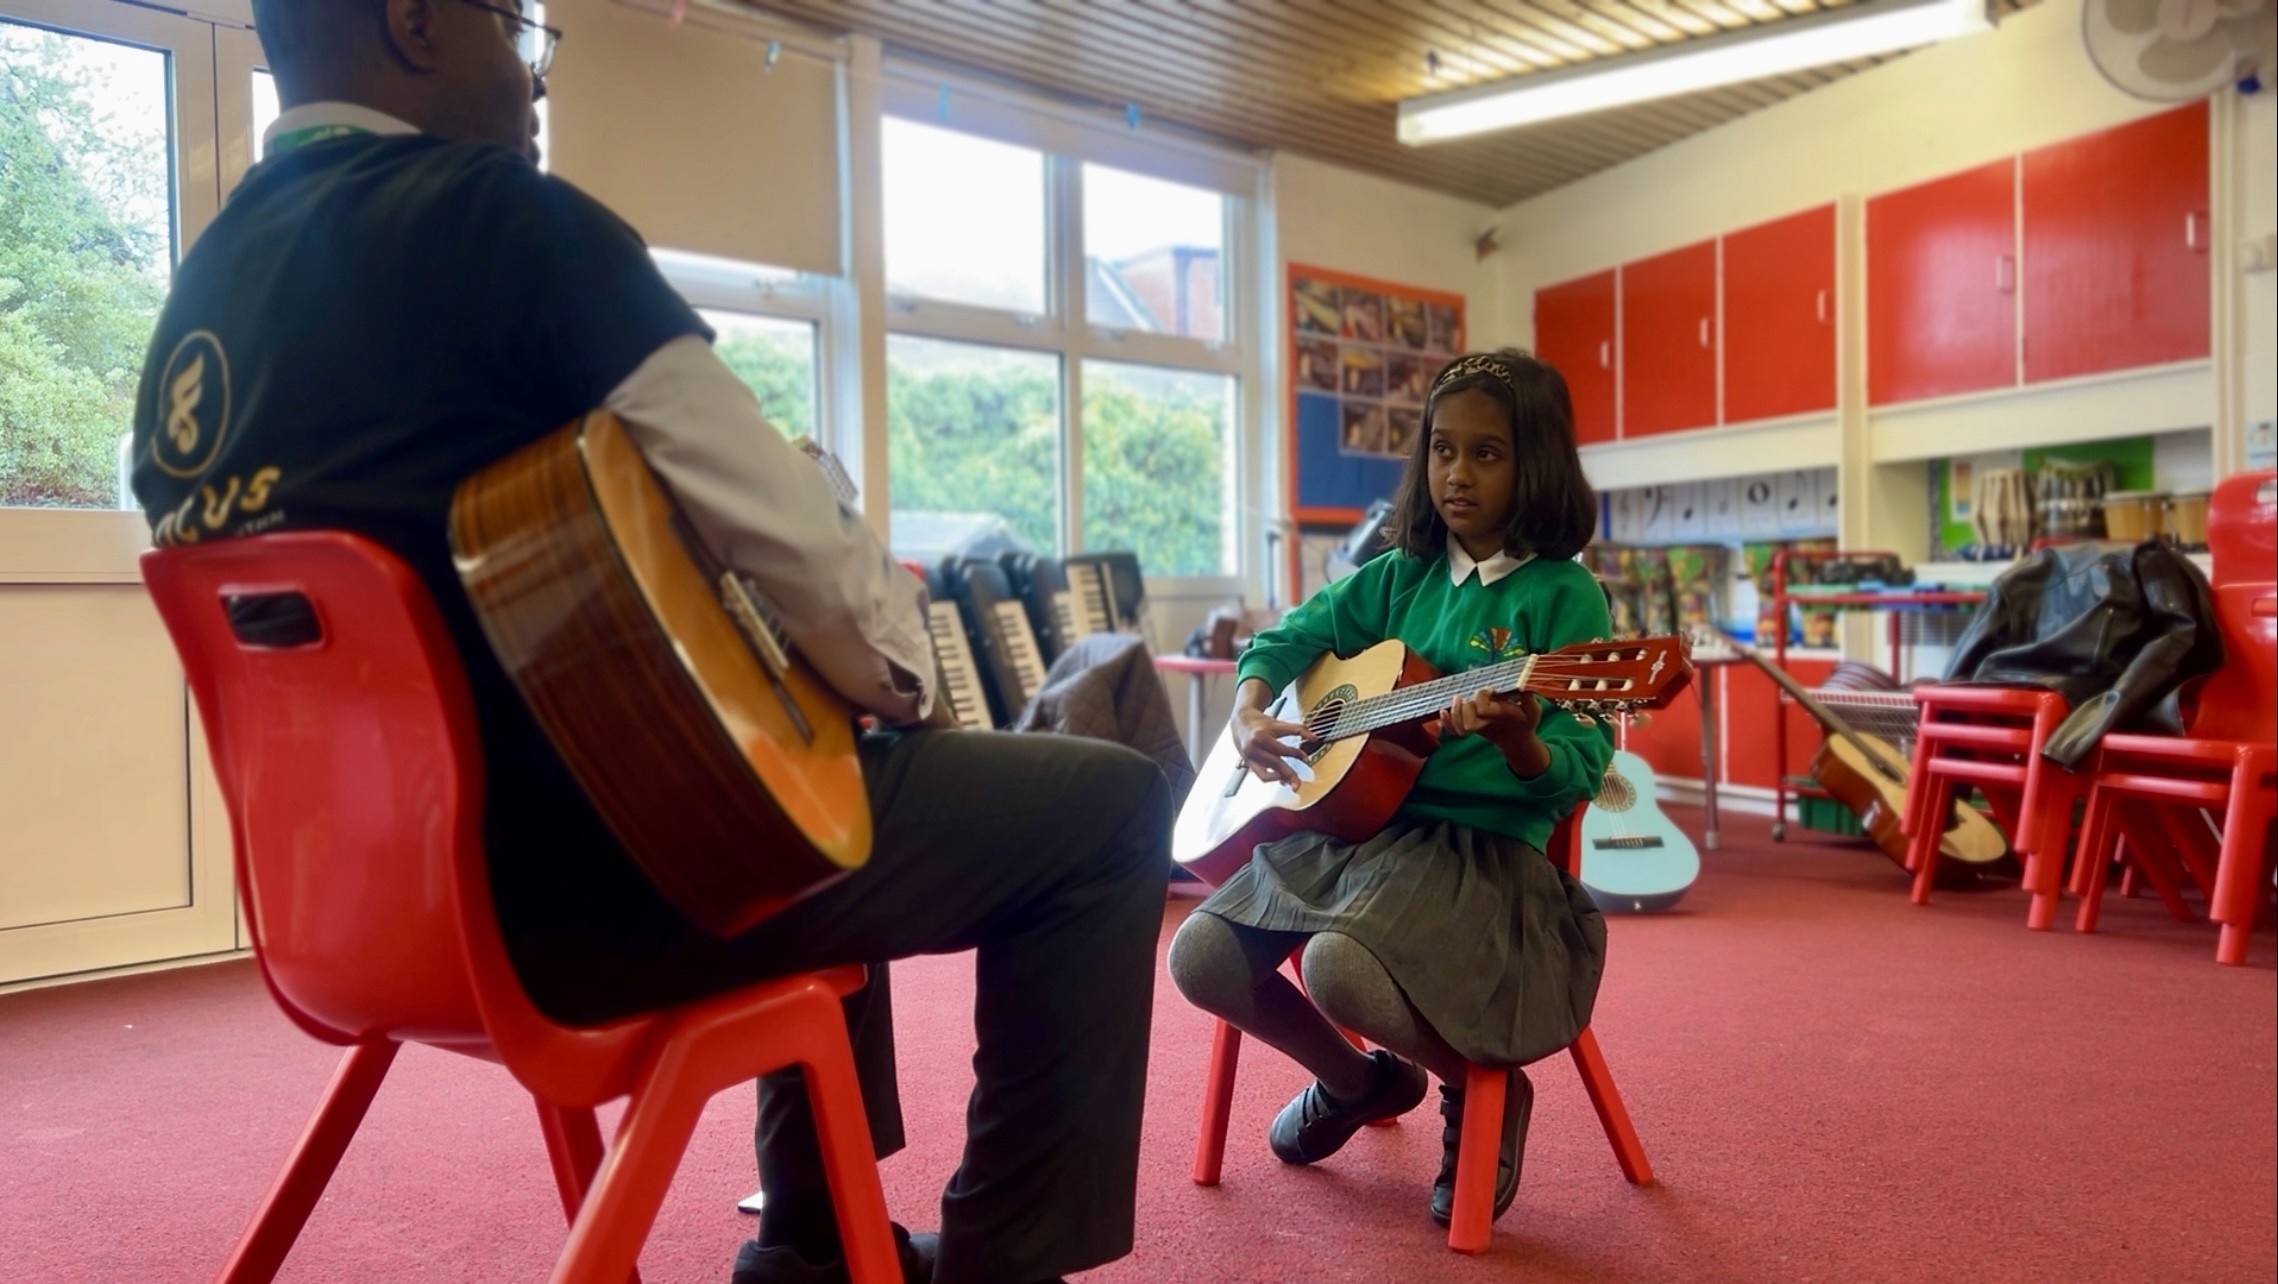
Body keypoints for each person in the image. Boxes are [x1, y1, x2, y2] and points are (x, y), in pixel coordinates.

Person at [129, 4, 1169, 1282]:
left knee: (819, 760)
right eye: (517, 33)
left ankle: (813, 1239)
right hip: (586, 906)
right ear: (413, 22)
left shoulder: (199, 297)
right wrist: (896, 679)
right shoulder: (503, 221)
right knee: (1101, 805)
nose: (530, 79)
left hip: (359, 928)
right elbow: (807, 556)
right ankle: (1002, 1262)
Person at [1167, 350, 1613, 1228]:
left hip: (1482, 861)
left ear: (1539, 463)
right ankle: (1359, 1081)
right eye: (1443, 450)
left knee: (1339, 968)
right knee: (1200, 956)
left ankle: (1485, 1089)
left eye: (1487, 453)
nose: (1457, 473)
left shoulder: (1568, 602)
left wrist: (1520, 736)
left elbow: (1577, 769)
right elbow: (1286, 639)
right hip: (1357, 837)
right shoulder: (1397, 575)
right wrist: (1250, 711)